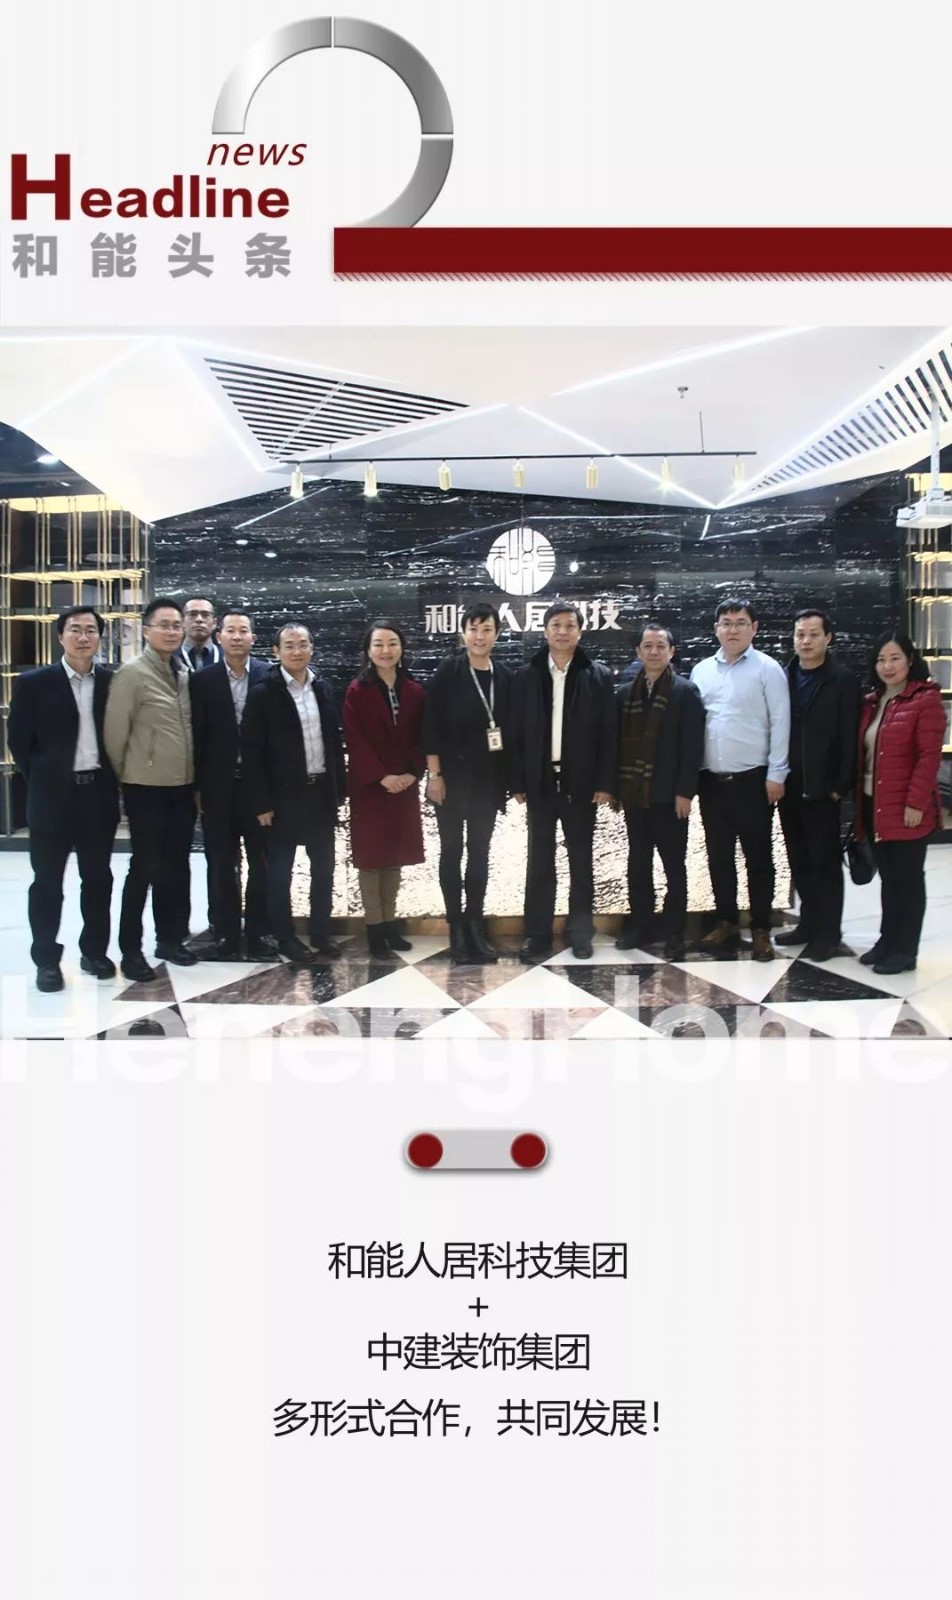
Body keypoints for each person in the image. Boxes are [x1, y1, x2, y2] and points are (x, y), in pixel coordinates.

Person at [8, 605, 120, 991]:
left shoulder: (112, 682)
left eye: (90, 630)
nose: (83, 637)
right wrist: (45, 778)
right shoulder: (34, 683)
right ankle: (46, 961)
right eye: (75, 629)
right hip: (52, 797)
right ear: (60, 636)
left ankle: (94, 952)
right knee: (47, 883)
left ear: (99, 637)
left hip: (97, 796)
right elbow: (19, 742)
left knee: (98, 879)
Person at [510, 601, 616, 961]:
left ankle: (580, 932)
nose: (562, 631)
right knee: (539, 860)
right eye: (556, 625)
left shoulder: (597, 675)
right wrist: (518, 781)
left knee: (581, 860)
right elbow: (515, 732)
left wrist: (605, 782)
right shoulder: (527, 675)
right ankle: (537, 934)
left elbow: (608, 734)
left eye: (570, 625)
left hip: (581, 784)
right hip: (540, 782)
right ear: (545, 631)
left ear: (580, 632)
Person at [689, 599, 790, 962]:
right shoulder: (702, 670)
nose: (732, 629)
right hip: (712, 781)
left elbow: (781, 722)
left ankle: (761, 928)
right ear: (716, 628)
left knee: (758, 858)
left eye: (740, 622)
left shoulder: (768, 669)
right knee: (718, 857)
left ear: (754, 628)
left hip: (754, 781)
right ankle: (726, 922)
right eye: (726, 623)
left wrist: (777, 773)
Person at [103, 597, 197, 980]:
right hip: (145, 787)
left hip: (182, 787)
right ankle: (130, 950)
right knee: (144, 868)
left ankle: (169, 939)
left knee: (174, 866)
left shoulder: (182, 671)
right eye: (164, 625)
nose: (172, 631)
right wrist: (130, 777)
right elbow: (115, 735)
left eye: (177, 625)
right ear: (146, 631)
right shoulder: (132, 673)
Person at [241, 623, 346, 963]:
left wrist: (339, 791)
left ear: (312, 648)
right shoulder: (263, 693)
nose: (297, 651)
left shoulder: (322, 688)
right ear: (276, 651)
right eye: (289, 645)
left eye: (303, 644)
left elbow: (333, 742)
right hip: (282, 798)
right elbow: (252, 753)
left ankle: (320, 932)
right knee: (280, 872)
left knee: (324, 869)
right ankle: (284, 937)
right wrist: (261, 803)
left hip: (320, 794)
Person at [424, 601, 513, 963]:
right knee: (451, 852)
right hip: (451, 781)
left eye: (487, 629)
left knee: (480, 853)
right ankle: (456, 929)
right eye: (473, 629)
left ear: (497, 634)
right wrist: (434, 775)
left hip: (488, 784)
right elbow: (430, 725)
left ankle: (476, 926)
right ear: (463, 633)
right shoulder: (449, 671)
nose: (480, 636)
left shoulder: (504, 676)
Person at [854, 630, 945, 975]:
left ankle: (905, 950)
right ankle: (887, 941)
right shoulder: (873, 701)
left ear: (910, 660)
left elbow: (929, 758)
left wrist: (915, 803)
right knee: (889, 879)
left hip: (907, 806)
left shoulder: (925, 699)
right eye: (881, 659)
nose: (887, 666)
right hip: (873, 803)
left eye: (894, 658)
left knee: (907, 881)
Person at [189, 609, 277, 961]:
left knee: (262, 863)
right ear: (219, 637)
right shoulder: (203, 680)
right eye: (230, 630)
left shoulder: (269, 675)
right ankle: (224, 933)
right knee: (221, 863)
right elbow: (197, 737)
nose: (237, 636)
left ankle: (258, 933)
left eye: (243, 631)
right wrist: (198, 787)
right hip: (217, 788)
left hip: (259, 789)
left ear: (253, 638)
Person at [614, 624, 705, 961]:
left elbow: (693, 747)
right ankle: (641, 925)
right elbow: (616, 747)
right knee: (638, 864)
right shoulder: (625, 694)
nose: (654, 652)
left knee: (673, 867)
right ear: (638, 651)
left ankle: (674, 932)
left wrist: (685, 792)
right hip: (635, 796)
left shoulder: (685, 692)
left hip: (670, 797)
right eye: (647, 646)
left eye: (660, 646)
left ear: (672, 652)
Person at [777, 609, 861, 961]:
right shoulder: (783, 676)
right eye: (800, 634)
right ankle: (808, 924)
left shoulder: (842, 680)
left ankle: (829, 934)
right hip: (789, 787)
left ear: (828, 638)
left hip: (823, 789)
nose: (806, 641)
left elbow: (850, 735)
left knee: (825, 863)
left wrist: (841, 785)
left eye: (813, 634)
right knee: (799, 861)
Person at [343, 620, 426, 958]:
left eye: (392, 643)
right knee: (371, 860)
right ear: (368, 650)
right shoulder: (356, 691)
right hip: (370, 788)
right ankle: (375, 928)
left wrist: (411, 773)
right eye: (378, 644)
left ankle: (391, 925)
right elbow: (355, 739)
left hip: (404, 785)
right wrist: (381, 776)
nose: (385, 650)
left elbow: (423, 735)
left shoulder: (415, 691)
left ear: (401, 648)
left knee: (395, 858)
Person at [176, 596, 221, 672]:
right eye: (192, 614)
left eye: (205, 615)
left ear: (214, 623)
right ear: (182, 621)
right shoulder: (170, 658)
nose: (199, 619)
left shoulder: (227, 659)